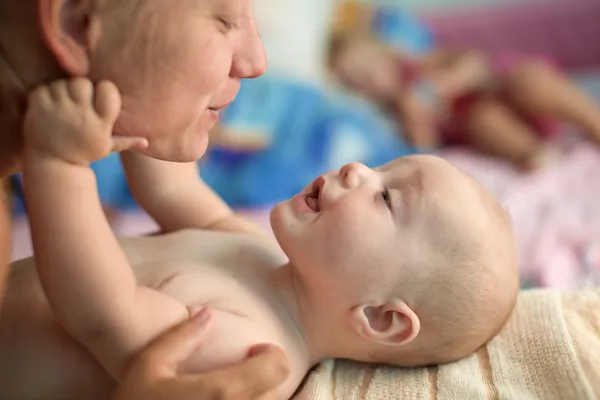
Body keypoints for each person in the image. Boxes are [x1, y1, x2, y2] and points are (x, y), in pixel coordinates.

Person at [1, 77, 519, 399]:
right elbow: (171, 187)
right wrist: (154, 97)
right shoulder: (258, 253)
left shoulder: (256, 355)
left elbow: (99, 309)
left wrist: (59, 164)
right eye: (384, 166)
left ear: (380, 318)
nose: (360, 168)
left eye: (387, 197)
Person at [0, 0, 290, 398]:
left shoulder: (250, 337)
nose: (256, 61)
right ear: (78, 23)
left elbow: (171, 187)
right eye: (226, 21)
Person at [328, 33, 600, 170]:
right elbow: (426, 148)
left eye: (367, 66)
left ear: (384, 51)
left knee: (528, 78)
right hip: (489, 124)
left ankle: (594, 122)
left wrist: (446, 81)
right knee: (483, 118)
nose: (369, 79)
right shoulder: (396, 111)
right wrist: (416, 118)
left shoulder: (423, 61)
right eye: (356, 81)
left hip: (506, 90)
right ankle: (538, 158)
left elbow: (476, 63)